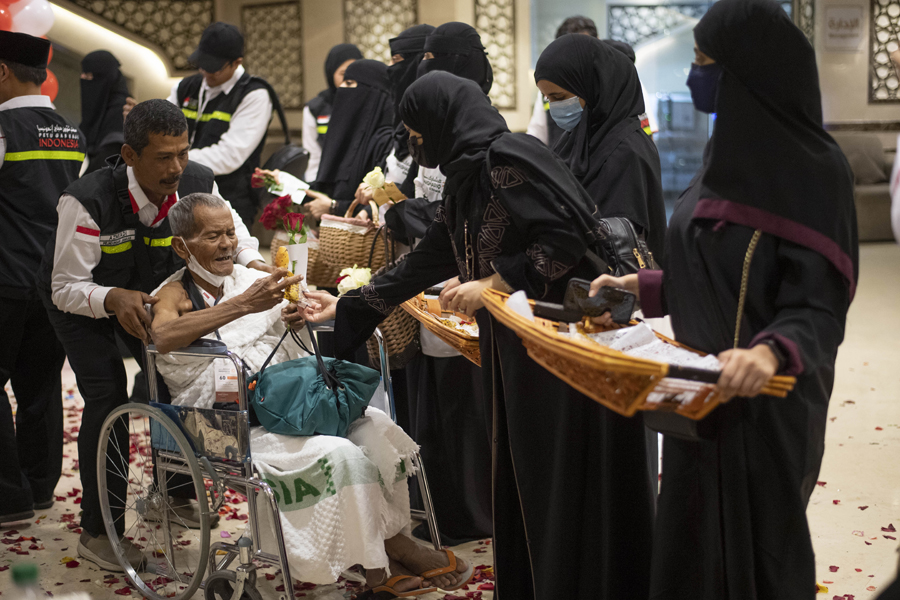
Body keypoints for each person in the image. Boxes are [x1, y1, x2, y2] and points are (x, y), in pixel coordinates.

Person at [300, 71, 655, 600]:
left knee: (555, 475)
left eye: (419, 135)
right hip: (515, 346)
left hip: (558, 349)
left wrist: (493, 280)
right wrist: (350, 305)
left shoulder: (509, 159)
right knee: (522, 474)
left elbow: (565, 241)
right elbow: (427, 259)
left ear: (445, 121)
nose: (418, 149)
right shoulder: (470, 176)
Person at [590, 1, 858, 597]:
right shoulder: (724, 157)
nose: (694, 76)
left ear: (751, 73)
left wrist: (768, 353)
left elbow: (818, 303)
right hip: (701, 393)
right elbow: (715, 264)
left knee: (760, 539)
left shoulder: (815, 173)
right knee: (692, 536)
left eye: (705, 63)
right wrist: (646, 286)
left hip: (766, 398)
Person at [149, 193, 472, 595]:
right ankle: (380, 564)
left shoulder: (250, 279)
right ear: (182, 246)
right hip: (229, 423)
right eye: (213, 236)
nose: (228, 244)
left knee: (377, 430)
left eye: (231, 233)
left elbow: (292, 327)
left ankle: (389, 541)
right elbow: (161, 336)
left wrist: (292, 317)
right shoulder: (173, 294)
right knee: (341, 455)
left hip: (290, 402)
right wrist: (244, 307)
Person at [35, 99, 271, 572]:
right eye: (164, 157)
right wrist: (111, 298)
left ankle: (175, 492)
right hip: (84, 302)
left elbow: (238, 237)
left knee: (172, 381)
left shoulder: (199, 181)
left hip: (154, 295)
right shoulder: (88, 199)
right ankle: (99, 531)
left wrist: (258, 268)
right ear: (129, 155)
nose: (177, 167)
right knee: (107, 399)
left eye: (183, 152)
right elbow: (66, 286)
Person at [0, 31, 86, 526]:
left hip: (5, 276)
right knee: (40, 387)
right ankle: (37, 490)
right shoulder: (68, 130)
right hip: (53, 277)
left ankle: (6, 498)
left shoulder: (3, 126)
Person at [534, 33, 667, 262]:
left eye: (559, 97)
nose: (554, 107)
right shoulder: (576, 139)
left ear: (593, 88)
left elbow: (616, 247)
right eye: (547, 99)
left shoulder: (628, 152)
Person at [167, 22, 274, 228]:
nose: (206, 72)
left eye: (214, 68)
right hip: (183, 191)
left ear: (236, 63)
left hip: (230, 197)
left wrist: (174, 160)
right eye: (202, 64)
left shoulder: (254, 94)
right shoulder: (185, 87)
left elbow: (229, 155)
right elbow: (162, 130)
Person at [305, 59, 394, 220]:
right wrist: (282, 183)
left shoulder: (386, 141)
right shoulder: (346, 136)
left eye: (350, 82)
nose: (341, 88)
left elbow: (391, 199)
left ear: (371, 91)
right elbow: (326, 187)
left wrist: (335, 207)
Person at [302, 43, 363, 183]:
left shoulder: (371, 103)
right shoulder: (316, 108)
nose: (349, 78)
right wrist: (313, 186)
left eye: (355, 72)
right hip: (327, 179)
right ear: (331, 73)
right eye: (343, 73)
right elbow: (313, 155)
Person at [80, 50, 129, 174]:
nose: (83, 78)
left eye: (89, 75)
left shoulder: (122, 112)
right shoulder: (104, 108)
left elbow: (107, 162)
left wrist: (75, 190)